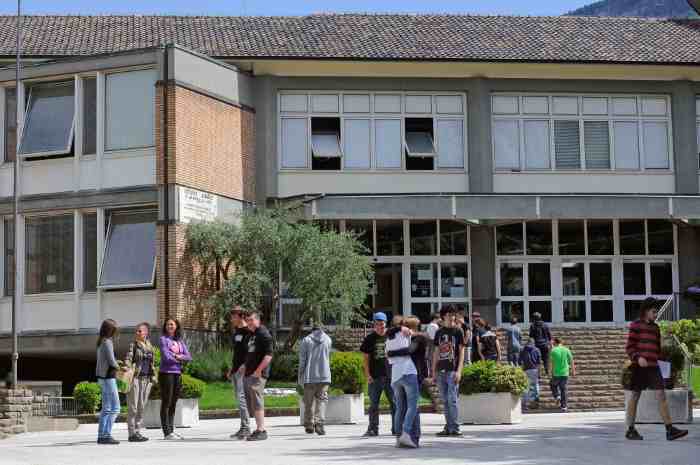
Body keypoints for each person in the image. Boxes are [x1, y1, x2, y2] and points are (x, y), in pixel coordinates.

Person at [624, 298, 688, 441]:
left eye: (657, 311)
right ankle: (630, 429)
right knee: (635, 397)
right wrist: (638, 357)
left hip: (654, 367)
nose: (656, 314)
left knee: (661, 396)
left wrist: (664, 361)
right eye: (654, 311)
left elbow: (657, 349)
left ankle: (670, 430)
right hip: (639, 367)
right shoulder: (636, 325)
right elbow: (629, 347)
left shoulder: (655, 328)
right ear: (646, 311)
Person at [387, 316, 429, 448]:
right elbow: (408, 350)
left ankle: (405, 437)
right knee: (410, 407)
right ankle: (407, 437)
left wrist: (391, 353)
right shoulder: (410, 338)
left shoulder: (413, 338)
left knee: (406, 408)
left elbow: (409, 350)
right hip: (409, 374)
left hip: (407, 374)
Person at [428, 306, 465, 437]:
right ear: (443, 316)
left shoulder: (458, 331)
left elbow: (461, 352)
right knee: (445, 400)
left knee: (452, 399)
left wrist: (459, 371)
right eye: (448, 314)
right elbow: (436, 352)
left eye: (453, 314)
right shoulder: (439, 332)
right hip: (440, 371)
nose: (451, 317)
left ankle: (455, 426)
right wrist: (433, 372)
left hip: (452, 370)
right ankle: (448, 426)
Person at [360, 312, 396, 437]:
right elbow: (365, 358)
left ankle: (396, 428)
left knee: (394, 403)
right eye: (377, 324)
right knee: (374, 404)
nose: (380, 326)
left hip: (391, 376)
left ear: (385, 323)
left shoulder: (392, 336)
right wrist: (367, 374)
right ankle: (373, 428)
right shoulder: (369, 339)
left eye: (382, 323)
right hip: (375, 376)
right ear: (374, 325)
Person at [239, 310, 274, 441]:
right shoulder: (252, 335)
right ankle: (258, 428)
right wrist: (244, 365)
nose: (249, 323)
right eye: (247, 321)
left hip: (258, 374)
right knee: (252, 402)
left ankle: (261, 430)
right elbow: (251, 353)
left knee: (257, 400)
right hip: (250, 372)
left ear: (258, 320)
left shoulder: (263, 333)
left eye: (251, 320)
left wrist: (259, 370)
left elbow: (268, 355)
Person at [159, 318, 192, 440]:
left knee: (173, 402)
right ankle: (166, 432)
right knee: (166, 402)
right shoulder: (163, 339)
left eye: (172, 324)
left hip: (177, 373)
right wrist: (179, 359)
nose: (170, 326)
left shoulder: (179, 341)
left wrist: (177, 356)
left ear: (177, 326)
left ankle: (172, 431)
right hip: (166, 373)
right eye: (168, 324)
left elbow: (189, 357)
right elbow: (166, 357)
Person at [298, 322, 332, 436]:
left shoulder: (306, 340)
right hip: (324, 375)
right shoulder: (328, 340)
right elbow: (328, 357)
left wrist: (300, 377)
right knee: (322, 400)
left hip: (309, 376)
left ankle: (309, 424)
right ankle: (320, 424)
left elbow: (302, 360)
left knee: (309, 401)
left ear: (312, 330)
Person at [125, 322, 157, 443]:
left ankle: (138, 432)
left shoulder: (150, 347)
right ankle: (131, 433)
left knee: (141, 407)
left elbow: (152, 364)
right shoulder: (133, 345)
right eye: (136, 331)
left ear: (146, 333)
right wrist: (126, 366)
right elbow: (128, 358)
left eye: (140, 331)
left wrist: (153, 377)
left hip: (146, 380)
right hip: (135, 379)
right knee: (133, 407)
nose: (137, 333)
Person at [225, 307, 251, 440]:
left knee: (242, 399)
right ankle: (243, 426)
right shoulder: (236, 332)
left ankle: (246, 428)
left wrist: (245, 366)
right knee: (239, 398)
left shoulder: (248, 332)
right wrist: (232, 368)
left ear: (240, 316)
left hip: (243, 371)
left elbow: (250, 352)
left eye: (233, 316)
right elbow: (237, 353)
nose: (231, 319)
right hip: (236, 370)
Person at [96, 319, 121, 445]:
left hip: (102, 377)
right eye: (115, 330)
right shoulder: (108, 342)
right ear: (110, 330)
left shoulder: (101, 342)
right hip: (108, 378)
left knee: (106, 408)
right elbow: (111, 361)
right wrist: (120, 367)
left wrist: (116, 363)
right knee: (115, 408)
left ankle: (102, 435)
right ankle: (106, 434)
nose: (116, 332)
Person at [549, 338, 575, 412]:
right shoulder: (566, 350)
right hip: (565, 373)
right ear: (561, 343)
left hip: (556, 373)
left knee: (552, 384)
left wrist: (550, 372)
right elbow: (571, 360)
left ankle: (557, 396)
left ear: (555, 343)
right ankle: (564, 407)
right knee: (563, 389)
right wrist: (573, 371)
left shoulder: (553, 350)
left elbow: (551, 363)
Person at [519, 338, 542, 410]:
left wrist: (521, 370)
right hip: (534, 369)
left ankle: (524, 404)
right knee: (535, 385)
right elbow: (539, 363)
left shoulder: (523, 350)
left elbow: (520, 361)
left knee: (526, 387)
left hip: (526, 370)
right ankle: (535, 400)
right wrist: (539, 372)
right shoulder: (537, 350)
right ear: (533, 343)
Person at [425, 313, 441, 378]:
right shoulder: (435, 326)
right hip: (434, 344)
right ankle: (434, 375)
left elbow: (428, 335)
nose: (440, 320)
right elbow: (437, 336)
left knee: (430, 359)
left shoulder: (428, 325)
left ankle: (431, 374)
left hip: (430, 343)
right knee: (434, 359)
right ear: (435, 319)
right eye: (439, 318)